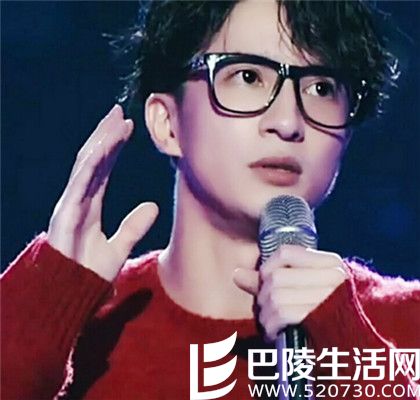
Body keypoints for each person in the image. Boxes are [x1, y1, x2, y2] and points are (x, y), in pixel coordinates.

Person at [1, 1, 419, 399]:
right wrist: (44, 312)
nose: (288, 121)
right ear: (167, 124)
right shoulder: (88, 334)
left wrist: (343, 344)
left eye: (321, 87)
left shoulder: (404, 327)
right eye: (248, 76)